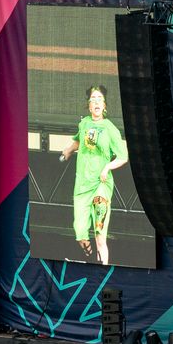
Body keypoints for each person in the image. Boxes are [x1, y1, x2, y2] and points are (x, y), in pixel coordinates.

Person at [58, 84, 128, 265]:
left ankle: (103, 265)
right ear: (88, 106)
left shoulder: (110, 128)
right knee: (80, 231)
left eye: (99, 99)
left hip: (101, 184)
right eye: (93, 99)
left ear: (104, 106)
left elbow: (123, 157)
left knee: (99, 232)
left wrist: (107, 168)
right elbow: (78, 141)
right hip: (82, 183)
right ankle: (90, 258)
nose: (96, 102)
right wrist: (67, 151)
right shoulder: (84, 123)